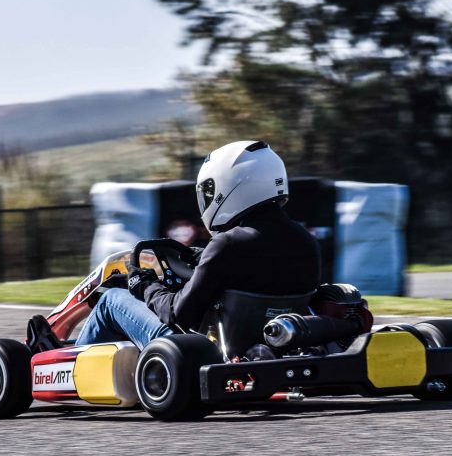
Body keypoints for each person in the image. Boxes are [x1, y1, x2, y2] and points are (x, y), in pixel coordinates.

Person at [75, 140, 321, 348]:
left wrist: (145, 284)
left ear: (231, 186)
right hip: (270, 344)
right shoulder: (306, 241)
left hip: (202, 348)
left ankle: (69, 370)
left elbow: (177, 314)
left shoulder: (228, 245)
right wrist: (203, 259)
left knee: (111, 300)